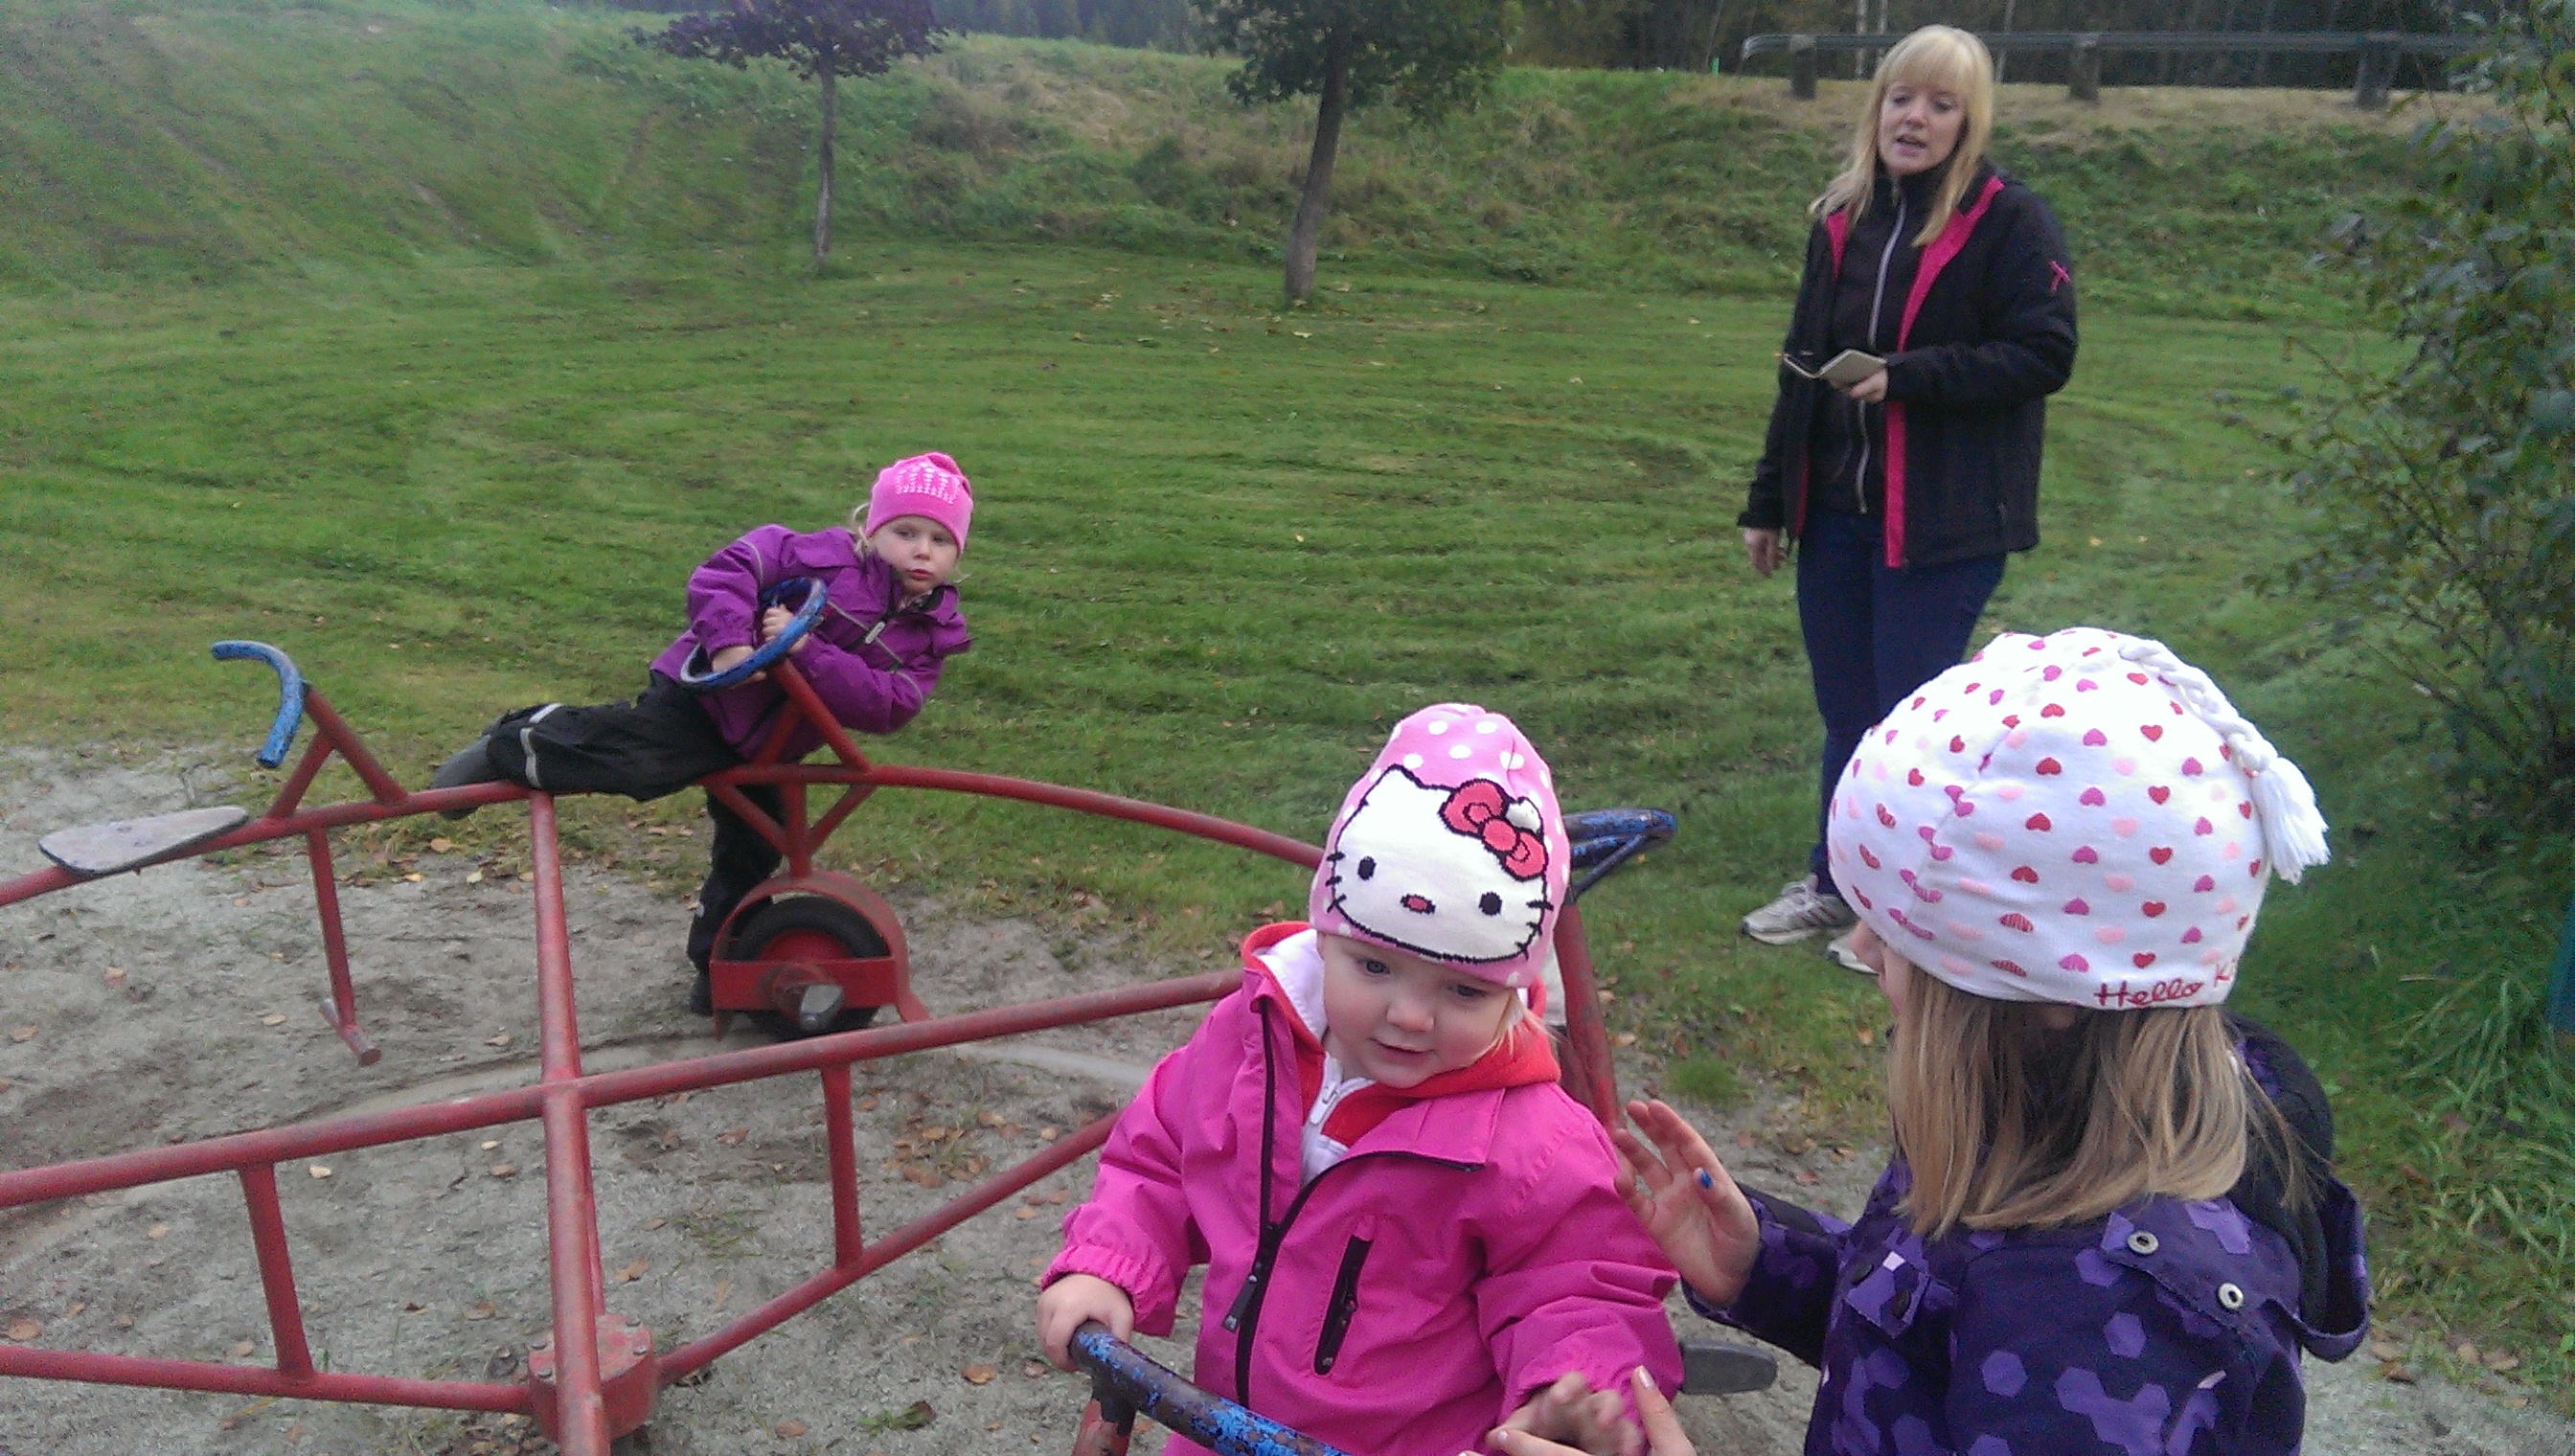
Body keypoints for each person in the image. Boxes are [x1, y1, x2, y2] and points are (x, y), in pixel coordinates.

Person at [1623, 627, 2370, 1455]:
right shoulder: (2020, 1111)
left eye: (1896, 932)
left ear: (2036, 991)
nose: (1863, 949)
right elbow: (1928, 1339)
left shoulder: (2115, 1325)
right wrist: (1767, 1266)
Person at [1037, 704, 1684, 1456]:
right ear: (1325, 938)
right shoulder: (1253, 1042)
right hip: (1224, 1431)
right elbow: (1158, 1160)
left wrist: (1577, 1391)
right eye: (1374, 966)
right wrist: (1110, 1265)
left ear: (1512, 993)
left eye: (1463, 991)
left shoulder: (1535, 1143)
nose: (1410, 1016)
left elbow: (1583, 1288)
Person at [1735, 26, 2079, 967]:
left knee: (1914, 726)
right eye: (1900, 98)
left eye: (1940, 103)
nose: (1914, 119)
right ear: (1876, 108)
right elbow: (1801, 367)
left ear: (1970, 120)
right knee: (1848, 715)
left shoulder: (2011, 221)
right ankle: (1836, 882)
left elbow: (2044, 353)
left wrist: (1908, 377)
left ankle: (1902, 919)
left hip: (1943, 521)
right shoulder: (1841, 218)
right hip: (1836, 516)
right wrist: (1769, 501)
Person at [430, 452, 973, 1013]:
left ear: (957, 552)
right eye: (905, 532)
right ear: (870, 528)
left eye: (940, 539)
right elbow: (724, 572)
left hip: (771, 747)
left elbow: (891, 705)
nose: (922, 551)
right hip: (705, 702)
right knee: (636, 760)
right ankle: (514, 743)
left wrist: (808, 650)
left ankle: (723, 966)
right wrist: (731, 644)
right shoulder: (817, 558)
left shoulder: (932, 632)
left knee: (756, 850)